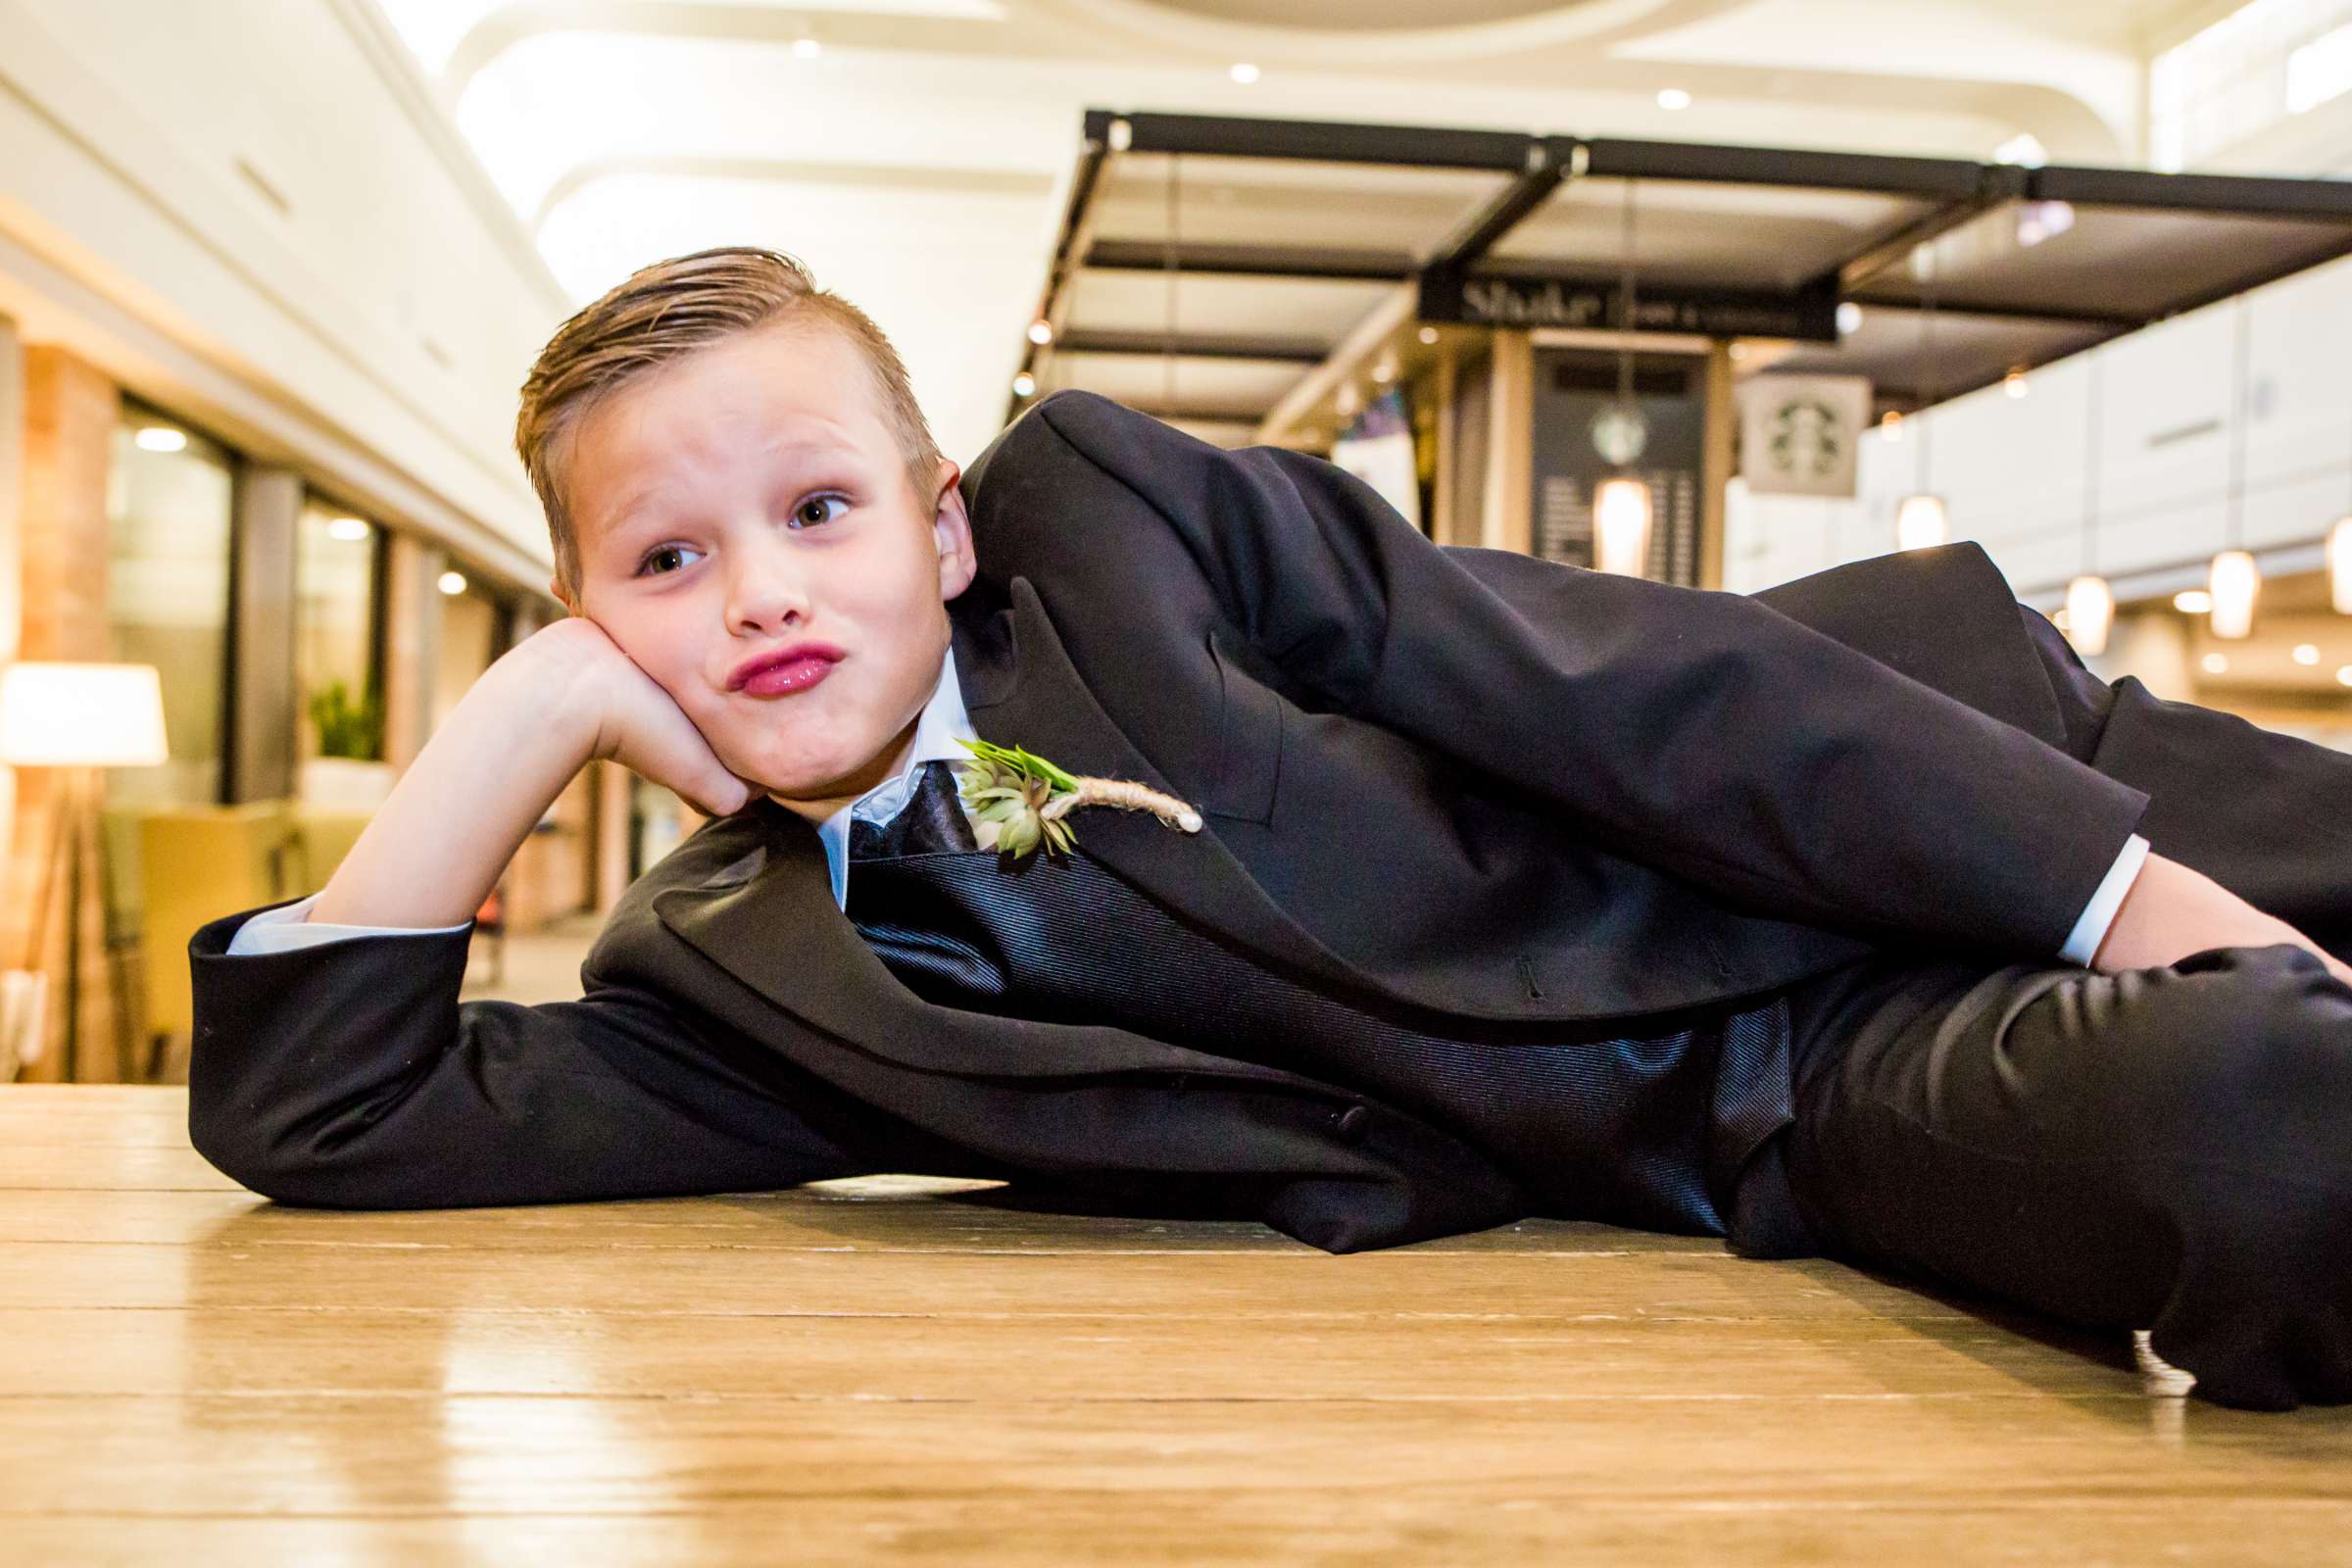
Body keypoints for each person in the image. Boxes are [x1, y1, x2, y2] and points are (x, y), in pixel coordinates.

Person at [186, 248, 2352, 1412]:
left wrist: (2120, 887)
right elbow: (338, 1120)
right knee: (2270, 1115)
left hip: (1893, 804)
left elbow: (1592, 674)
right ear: (591, 615)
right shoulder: (728, 975)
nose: (755, 587)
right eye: (660, 563)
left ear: (942, 532)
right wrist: (521, 719)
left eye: (819, 508)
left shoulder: (1115, 522)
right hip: (1782, 1105)